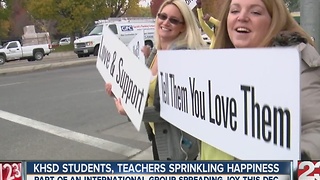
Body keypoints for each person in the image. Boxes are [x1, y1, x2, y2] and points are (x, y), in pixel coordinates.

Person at [202, 0, 320, 161]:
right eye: (235, 11)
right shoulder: (217, 63)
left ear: (274, 20)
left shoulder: (295, 61)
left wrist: (289, 164)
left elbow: (314, 128)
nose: (242, 17)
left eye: (255, 12)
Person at [105, 0, 206, 160]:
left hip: (177, 147)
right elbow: (140, 91)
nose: (166, 22)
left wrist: (132, 112)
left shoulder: (181, 58)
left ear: (183, 27)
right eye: (163, 16)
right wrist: (118, 91)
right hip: (157, 135)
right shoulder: (156, 52)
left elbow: (168, 111)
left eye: (173, 20)